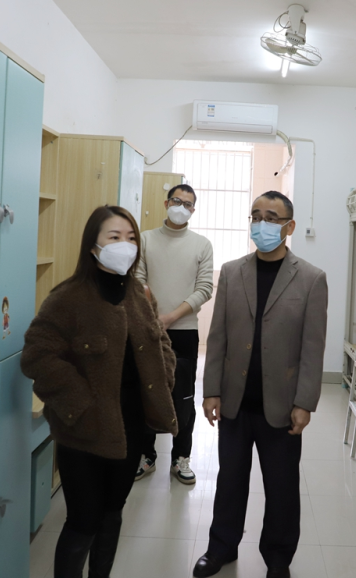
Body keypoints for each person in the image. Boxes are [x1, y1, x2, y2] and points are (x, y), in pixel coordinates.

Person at [21, 205, 178, 578]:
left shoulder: (140, 294)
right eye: (114, 236)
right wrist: (81, 403)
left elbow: (161, 341)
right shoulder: (68, 297)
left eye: (131, 238)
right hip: (84, 430)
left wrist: (165, 375)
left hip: (131, 425)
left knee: (112, 513)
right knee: (83, 520)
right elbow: (37, 356)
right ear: (93, 246)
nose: (125, 244)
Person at [193, 191, 328, 578]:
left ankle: (278, 557)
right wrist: (211, 390)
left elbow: (312, 348)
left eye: (271, 217)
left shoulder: (311, 279)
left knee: (282, 486)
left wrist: (304, 402)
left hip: (282, 405)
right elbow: (217, 336)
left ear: (289, 226)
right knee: (230, 480)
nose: (261, 224)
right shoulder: (232, 272)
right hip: (235, 401)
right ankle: (221, 547)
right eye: (256, 216)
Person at [135, 184, 213, 484]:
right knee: (146, 392)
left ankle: (181, 458)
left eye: (188, 204)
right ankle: (146, 455)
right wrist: (153, 317)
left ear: (194, 210)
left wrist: (170, 317)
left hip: (184, 331)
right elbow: (138, 279)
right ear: (167, 203)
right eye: (177, 201)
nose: (182, 207)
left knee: (183, 397)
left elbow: (204, 288)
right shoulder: (145, 239)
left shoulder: (201, 244)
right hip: (148, 329)